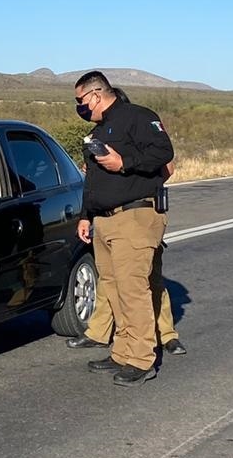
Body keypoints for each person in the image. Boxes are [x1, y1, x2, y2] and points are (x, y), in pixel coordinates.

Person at [68, 86, 186, 356]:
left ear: (100, 96)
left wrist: (126, 168)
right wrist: (86, 215)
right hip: (106, 218)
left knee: (144, 283)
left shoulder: (139, 121)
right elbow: (93, 184)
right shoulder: (97, 134)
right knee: (113, 284)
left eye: (81, 101)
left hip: (137, 217)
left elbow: (165, 163)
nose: (81, 108)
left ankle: (156, 342)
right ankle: (118, 345)